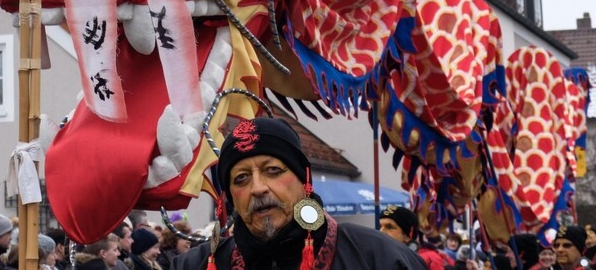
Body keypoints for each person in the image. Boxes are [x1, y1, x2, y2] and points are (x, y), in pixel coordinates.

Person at [173, 117, 427, 270]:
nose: (258, 188)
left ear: (304, 180)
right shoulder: (195, 265)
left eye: (273, 170)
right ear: (228, 196)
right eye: (241, 178)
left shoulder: (380, 258)